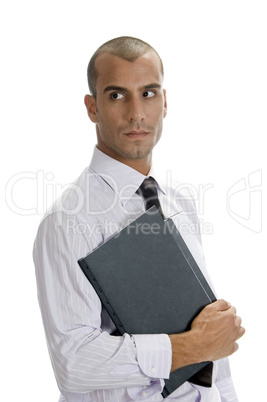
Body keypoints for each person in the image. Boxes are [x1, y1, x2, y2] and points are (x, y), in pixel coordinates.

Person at [33, 36, 245, 402]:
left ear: (165, 103)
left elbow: (209, 334)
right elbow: (73, 361)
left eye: (148, 93)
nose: (136, 113)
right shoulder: (68, 220)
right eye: (117, 95)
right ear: (92, 107)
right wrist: (189, 347)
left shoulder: (179, 202)